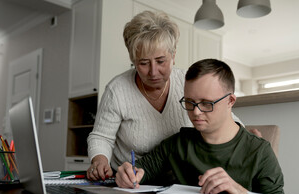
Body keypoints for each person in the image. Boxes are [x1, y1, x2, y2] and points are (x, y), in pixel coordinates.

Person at [86, 11, 243, 181]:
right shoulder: (117, 90)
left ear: (173, 55)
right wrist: (100, 160)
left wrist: (245, 135)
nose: (153, 72)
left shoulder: (187, 81)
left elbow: (223, 118)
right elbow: (101, 136)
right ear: (133, 60)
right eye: (143, 63)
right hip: (131, 180)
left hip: (179, 180)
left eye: (161, 61)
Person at [116, 59, 284, 194]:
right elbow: (139, 171)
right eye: (189, 102)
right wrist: (127, 174)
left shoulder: (260, 151)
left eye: (206, 103)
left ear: (230, 101)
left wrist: (242, 193)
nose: (195, 112)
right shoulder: (177, 143)